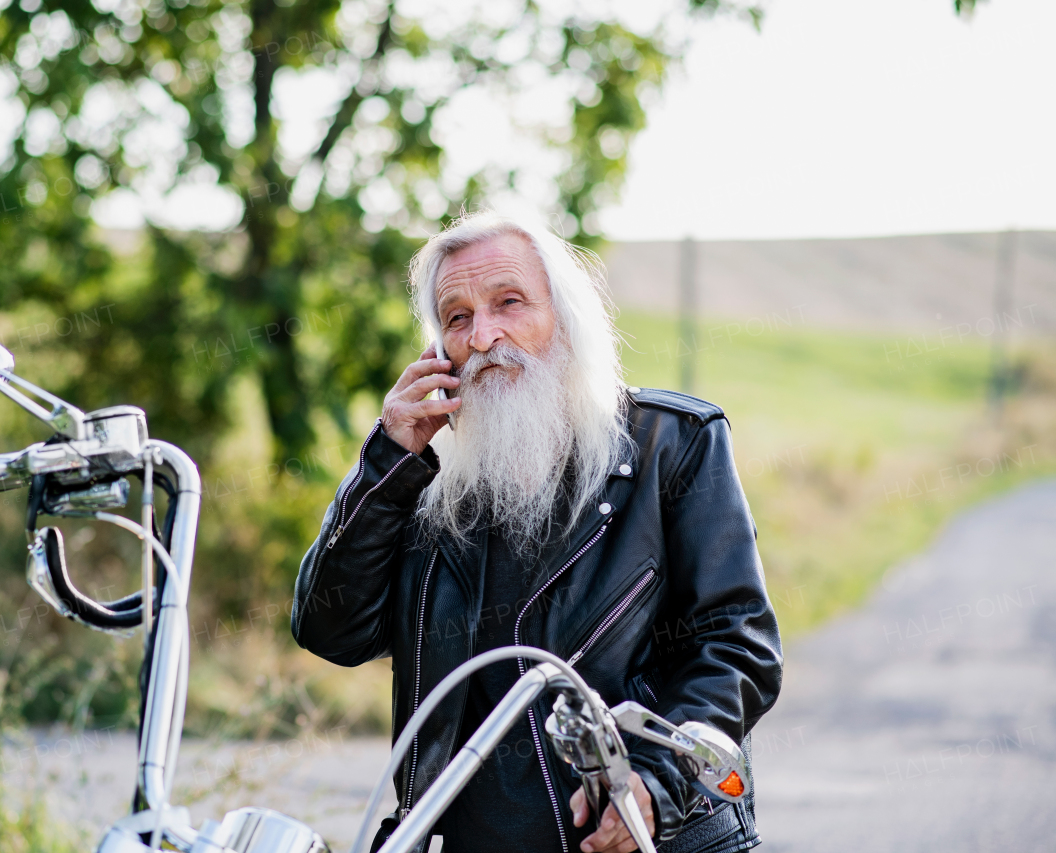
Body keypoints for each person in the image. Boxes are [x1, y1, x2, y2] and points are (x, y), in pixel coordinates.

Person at [291, 211, 783, 853]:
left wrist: (654, 784)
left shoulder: (673, 444)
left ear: (566, 319)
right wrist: (388, 460)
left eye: (509, 302)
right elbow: (332, 630)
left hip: (646, 837)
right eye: (457, 317)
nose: (484, 335)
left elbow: (736, 645)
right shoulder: (421, 480)